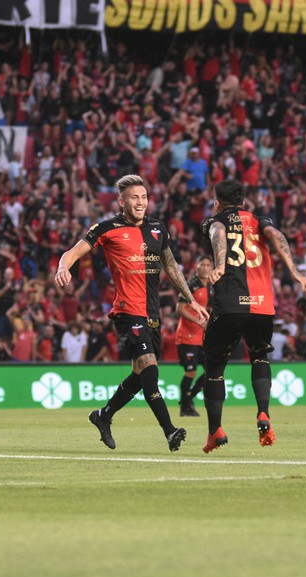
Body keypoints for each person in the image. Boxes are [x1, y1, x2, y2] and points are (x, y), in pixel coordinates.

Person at [55, 174, 208, 452]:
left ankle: (103, 415)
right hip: (128, 312)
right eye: (134, 197)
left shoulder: (158, 229)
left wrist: (191, 299)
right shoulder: (107, 228)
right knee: (150, 368)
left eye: (144, 197)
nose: (140, 202)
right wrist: (63, 266)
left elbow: (171, 267)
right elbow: (73, 251)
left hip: (152, 314)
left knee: (140, 376)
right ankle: (170, 431)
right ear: (121, 201)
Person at [200, 179, 306, 454]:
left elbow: (219, 234)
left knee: (215, 367)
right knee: (260, 356)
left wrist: (219, 264)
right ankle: (263, 414)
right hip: (262, 305)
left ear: (217, 201)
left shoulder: (213, 220)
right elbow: (276, 236)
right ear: (244, 201)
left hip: (229, 304)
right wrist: (294, 271)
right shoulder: (261, 219)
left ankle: (215, 431)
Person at [175, 255, 212, 417]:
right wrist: (199, 321)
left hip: (201, 337)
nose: (204, 267)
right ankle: (185, 407)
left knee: (211, 369)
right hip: (186, 336)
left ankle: (188, 399)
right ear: (196, 267)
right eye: (202, 264)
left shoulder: (210, 286)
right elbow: (180, 309)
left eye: (208, 265)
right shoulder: (191, 285)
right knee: (191, 371)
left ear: (211, 268)